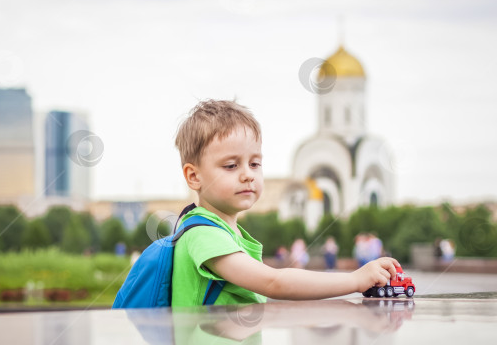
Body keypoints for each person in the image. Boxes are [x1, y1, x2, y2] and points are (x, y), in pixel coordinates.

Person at [170, 99, 399, 307]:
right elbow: (274, 282)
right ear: (194, 176)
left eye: (255, 163)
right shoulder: (203, 234)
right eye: (231, 165)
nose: (248, 175)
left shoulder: (224, 231)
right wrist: (355, 279)